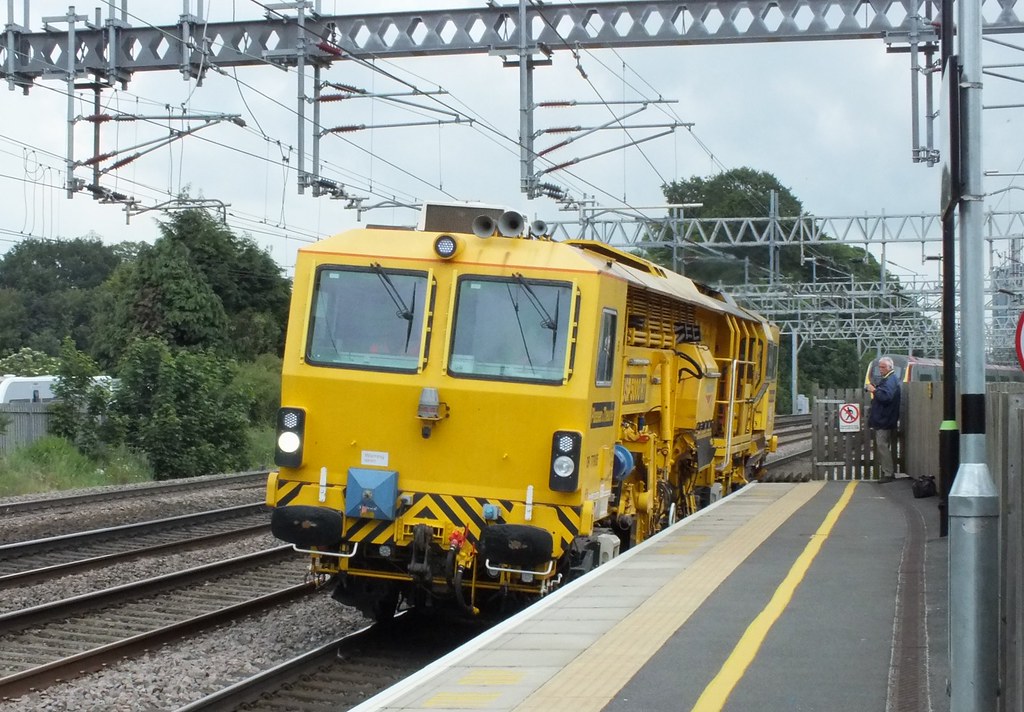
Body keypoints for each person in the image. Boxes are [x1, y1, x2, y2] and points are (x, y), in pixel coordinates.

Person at [866, 356, 901, 483]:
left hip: (884, 419)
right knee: (883, 446)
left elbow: (886, 397)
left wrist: (874, 390)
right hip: (886, 418)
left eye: (883, 367)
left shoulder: (890, 380)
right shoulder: (889, 379)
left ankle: (888, 473)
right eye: (879, 367)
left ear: (890, 368)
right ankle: (887, 472)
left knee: (882, 446)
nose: (880, 369)